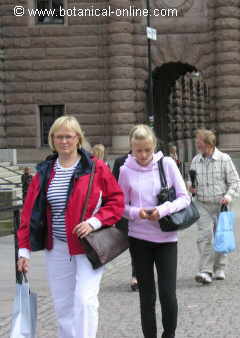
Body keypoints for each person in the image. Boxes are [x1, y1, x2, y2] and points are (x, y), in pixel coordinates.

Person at [17, 115, 124, 338]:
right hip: (56, 247)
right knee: (63, 305)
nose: (64, 141)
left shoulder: (95, 167)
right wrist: (23, 250)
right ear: (52, 140)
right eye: (59, 137)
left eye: (68, 136)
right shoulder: (45, 171)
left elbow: (117, 201)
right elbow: (29, 213)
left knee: (85, 301)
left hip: (87, 246)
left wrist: (94, 222)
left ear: (78, 138)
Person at [118, 124, 190, 338]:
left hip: (166, 237)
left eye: (147, 150)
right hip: (139, 238)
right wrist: (135, 212)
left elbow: (184, 198)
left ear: (154, 146)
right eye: (138, 150)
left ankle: (169, 335)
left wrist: (162, 209)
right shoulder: (125, 170)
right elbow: (119, 205)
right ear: (131, 148)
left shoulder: (166, 164)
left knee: (168, 294)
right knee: (146, 296)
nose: (142, 155)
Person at [188, 129, 240, 284]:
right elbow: (191, 182)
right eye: (197, 140)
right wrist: (191, 187)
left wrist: (228, 196)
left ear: (209, 143)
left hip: (221, 205)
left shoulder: (224, 159)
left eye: (199, 140)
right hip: (202, 204)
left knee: (221, 236)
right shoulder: (196, 160)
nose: (197, 143)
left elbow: (235, 182)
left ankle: (220, 267)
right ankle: (205, 270)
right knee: (204, 237)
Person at [112, 151, 138, 291]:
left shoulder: (155, 160)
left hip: (144, 211)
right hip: (126, 211)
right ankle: (138, 273)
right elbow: (113, 187)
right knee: (133, 244)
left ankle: (137, 275)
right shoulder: (120, 162)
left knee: (141, 244)